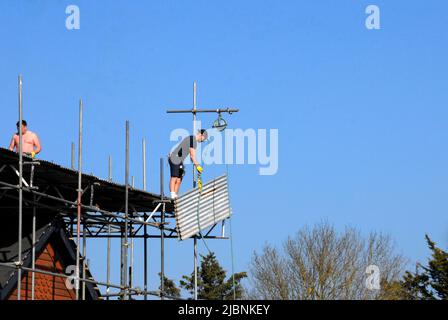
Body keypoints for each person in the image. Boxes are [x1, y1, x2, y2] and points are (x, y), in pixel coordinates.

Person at [168, 129, 208, 199]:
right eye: (203, 139)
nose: (202, 141)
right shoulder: (193, 139)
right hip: (175, 157)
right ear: (201, 135)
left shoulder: (193, 142)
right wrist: (197, 166)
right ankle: (172, 194)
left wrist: (196, 164)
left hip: (180, 160)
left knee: (179, 179)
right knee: (174, 177)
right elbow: (192, 156)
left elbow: (191, 157)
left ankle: (175, 196)